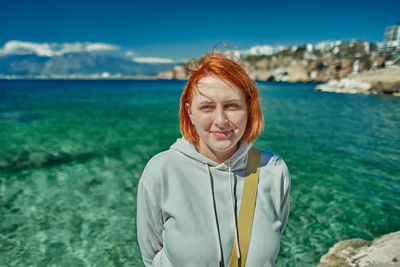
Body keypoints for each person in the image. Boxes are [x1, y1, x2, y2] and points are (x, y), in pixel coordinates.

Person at [137, 51, 290, 267]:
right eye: (207, 107)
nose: (220, 120)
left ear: (249, 108)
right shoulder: (161, 171)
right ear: (190, 112)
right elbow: (151, 256)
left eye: (232, 106)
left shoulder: (273, 170)